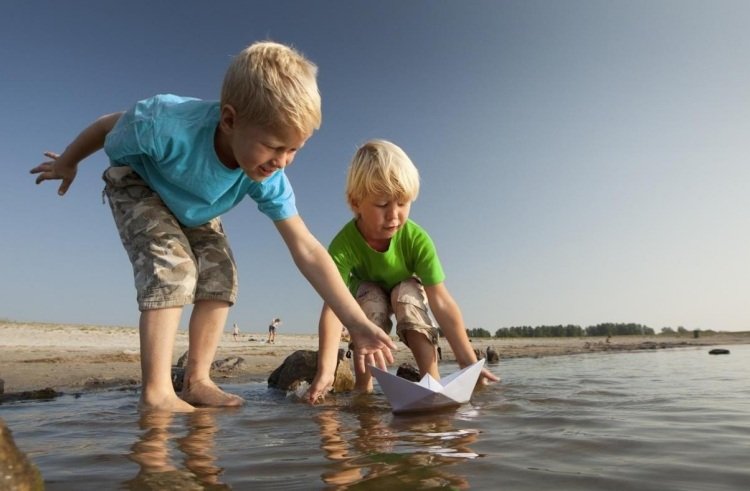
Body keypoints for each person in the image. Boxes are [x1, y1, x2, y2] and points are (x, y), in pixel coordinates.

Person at [30, 41, 396, 413]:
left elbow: (306, 249)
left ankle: (197, 380)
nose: (282, 162)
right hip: (138, 183)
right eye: (273, 147)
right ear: (230, 120)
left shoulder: (268, 176)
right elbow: (110, 125)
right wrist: (70, 161)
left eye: (294, 149)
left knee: (221, 276)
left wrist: (357, 322)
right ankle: (156, 392)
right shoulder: (164, 123)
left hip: (196, 210)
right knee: (175, 269)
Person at [307, 140, 499, 403]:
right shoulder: (343, 245)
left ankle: (431, 382)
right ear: (356, 203)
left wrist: (468, 362)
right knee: (370, 300)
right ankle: (364, 388)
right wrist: (326, 370)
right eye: (383, 204)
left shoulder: (417, 239)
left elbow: (441, 301)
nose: (394, 216)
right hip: (367, 293)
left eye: (402, 203)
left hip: (404, 289)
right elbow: (333, 308)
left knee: (406, 294)